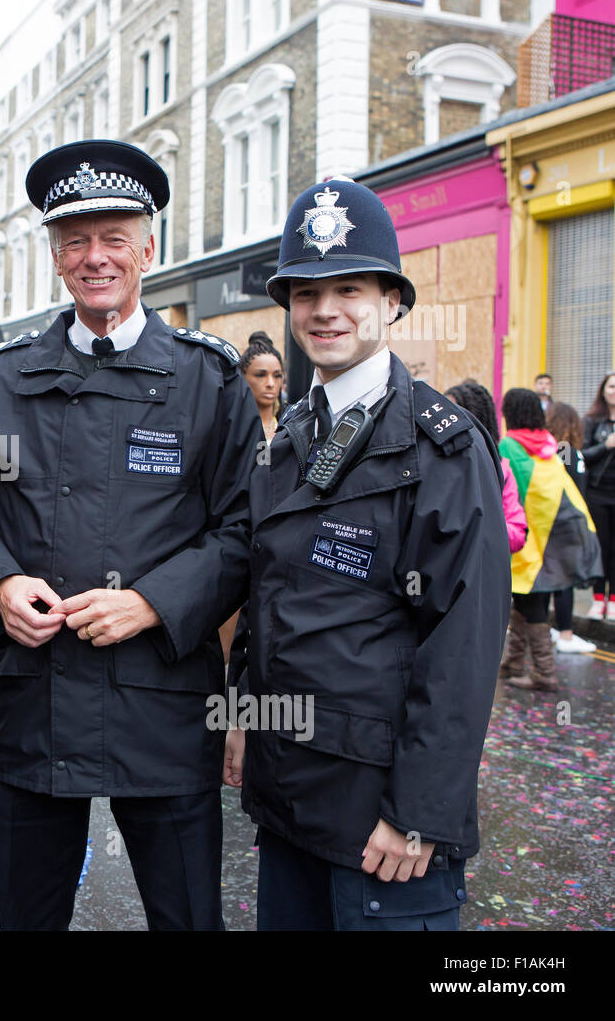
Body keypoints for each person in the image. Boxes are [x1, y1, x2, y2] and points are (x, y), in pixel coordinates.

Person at [0, 139, 263, 931]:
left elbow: (245, 527)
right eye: (75, 241)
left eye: (115, 237)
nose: (95, 257)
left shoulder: (206, 379)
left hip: (164, 701)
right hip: (34, 702)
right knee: (28, 917)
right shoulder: (3, 379)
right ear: (54, 256)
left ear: (149, 247)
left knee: (186, 916)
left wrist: (152, 602)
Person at [223, 177, 510, 931]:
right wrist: (242, 713)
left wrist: (420, 814)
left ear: (391, 302)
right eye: (306, 292)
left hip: (387, 835)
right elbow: (268, 598)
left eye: (349, 288)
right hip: (288, 807)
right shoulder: (288, 439)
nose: (325, 311)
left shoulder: (441, 446)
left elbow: (465, 643)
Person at [498, 388, 602, 690]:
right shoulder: (547, 443)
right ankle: (513, 661)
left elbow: (508, 491)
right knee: (527, 598)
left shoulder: (509, 446)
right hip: (552, 534)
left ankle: (544, 672)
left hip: (528, 535)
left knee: (531, 600)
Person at [444, 380, 527, 556]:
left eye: (454, 413)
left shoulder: (500, 470)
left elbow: (517, 533)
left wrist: (476, 526)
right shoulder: (429, 464)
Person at [545, 401, 596, 652]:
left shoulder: (559, 451)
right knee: (564, 580)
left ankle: (558, 634)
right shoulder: (573, 452)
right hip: (572, 522)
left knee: (551, 579)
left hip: (557, 522)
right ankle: (564, 634)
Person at [581, 372, 615, 619]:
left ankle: (613, 600)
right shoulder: (591, 421)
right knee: (600, 546)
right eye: (612, 386)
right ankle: (598, 597)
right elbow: (575, 455)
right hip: (597, 493)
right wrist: (606, 446)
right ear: (603, 390)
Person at [240, 331, 284, 442]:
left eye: (277, 375)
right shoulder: (230, 428)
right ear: (243, 377)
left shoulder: (293, 424)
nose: (270, 383)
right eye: (260, 375)